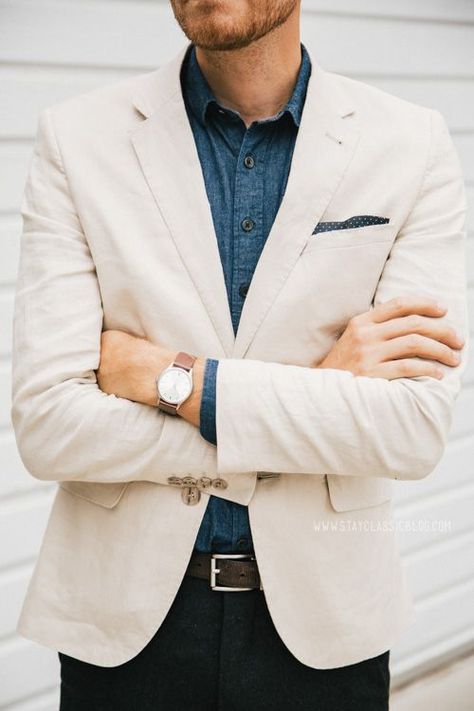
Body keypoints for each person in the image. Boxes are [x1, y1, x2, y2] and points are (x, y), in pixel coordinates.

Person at [11, 1, 468, 709]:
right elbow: (48, 425)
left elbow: (408, 430)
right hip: (126, 627)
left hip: (326, 627)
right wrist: (316, 389)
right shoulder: (77, 138)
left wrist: (177, 382)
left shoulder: (411, 142)